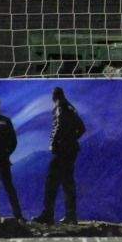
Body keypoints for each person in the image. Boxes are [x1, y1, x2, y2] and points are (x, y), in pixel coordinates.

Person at [35, 86, 85, 225]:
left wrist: (53, 142)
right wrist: (72, 139)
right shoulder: (71, 108)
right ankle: (71, 216)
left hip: (62, 150)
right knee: (68, 182)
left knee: (51, 181)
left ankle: (48, 215)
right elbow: (82, 128)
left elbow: (59, 126)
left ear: (54, 97)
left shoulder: (60, 107)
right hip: (72, 150)